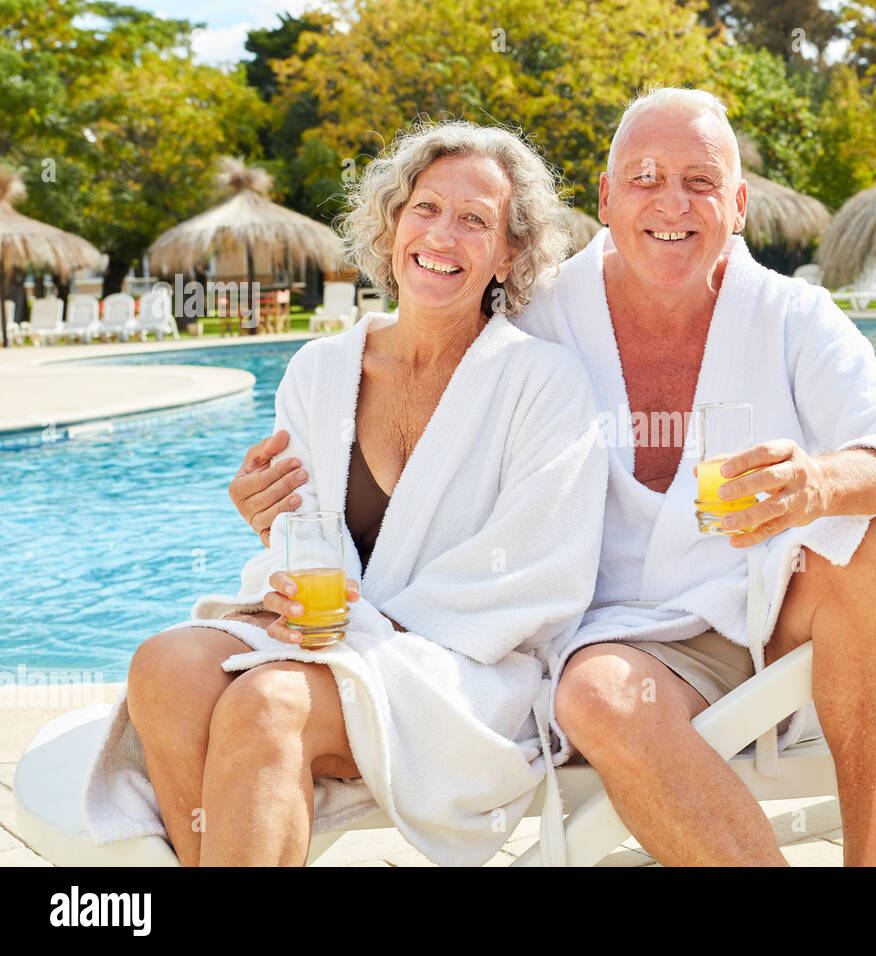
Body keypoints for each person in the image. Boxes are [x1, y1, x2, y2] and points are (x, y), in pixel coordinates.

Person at [231, 88, 876, 866]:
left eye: (701, 180)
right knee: (595, 696)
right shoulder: (537, 317)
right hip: (620, 642)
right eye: (644, 177)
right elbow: (422, 463)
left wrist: (819, 485)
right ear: (607, 198)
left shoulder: (790, 317)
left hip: (769, 612)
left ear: (740, 204)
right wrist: (292, 513)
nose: (671, 203)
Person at [81, 120, 608, 867]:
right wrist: (284, 567)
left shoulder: (542, 383)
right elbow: (300, 534)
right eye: (425, 208)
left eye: (474, 220)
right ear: (393, 223)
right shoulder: (320, 370)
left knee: (269, 705)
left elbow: (539, 567)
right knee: (163, 667)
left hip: (463, 671)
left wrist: (365, 630)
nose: (442, 235)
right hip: (330, 638)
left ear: (509, 253)